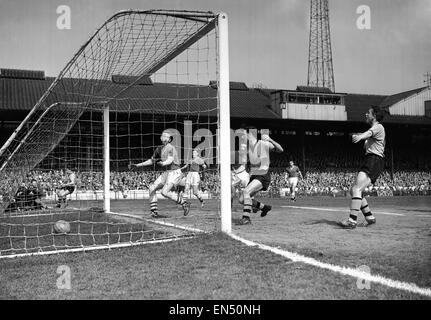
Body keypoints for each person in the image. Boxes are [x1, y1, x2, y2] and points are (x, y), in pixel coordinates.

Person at [339, 106, 386, 229]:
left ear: (374, 116)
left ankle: (352, 221)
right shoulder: (375, 129)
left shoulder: (378, 127)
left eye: (368, 113)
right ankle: (369, 217)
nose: (365, 114)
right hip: (371, 160)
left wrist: (360, 137)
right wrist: (360, 135)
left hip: (374, 160)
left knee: (357, 189)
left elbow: (369, 133)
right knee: (354, 190)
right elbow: (369, 134)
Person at [129, 130, 190, 217]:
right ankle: (154, 212)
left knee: (164, 192)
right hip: (167, 172)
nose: (164, 137)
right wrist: (138, 165)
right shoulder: (158, 149)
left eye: (166, 136)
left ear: (169, 139)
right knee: (152, 188)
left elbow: (170, 159)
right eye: (163, 135)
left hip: (175, 171)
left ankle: (184, 203)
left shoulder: (170, 148)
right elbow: (151, 161)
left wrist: (163, 163)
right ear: (161, 138)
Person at [237, 128, 284, 225]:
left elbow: (280, 149)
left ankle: (246, 218)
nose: (243, 137)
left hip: (263, 175)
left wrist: (270, 139)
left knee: (246, 192)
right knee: (242, 200)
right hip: (254, 176)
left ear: (251, 135)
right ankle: (264, 207)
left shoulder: (263, 144)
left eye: (244, 135)